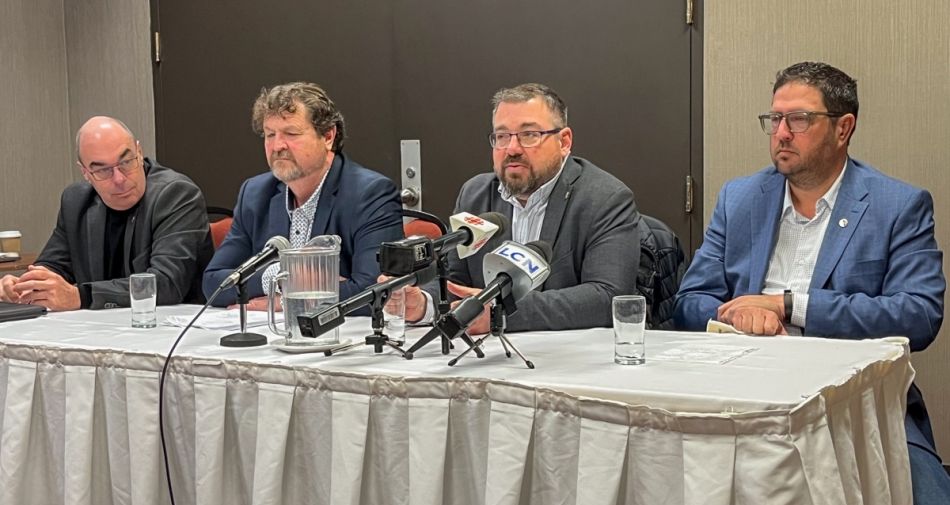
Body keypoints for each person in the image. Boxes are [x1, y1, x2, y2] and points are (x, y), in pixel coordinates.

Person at [673, 62, 948, 505]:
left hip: (856, 402)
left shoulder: (897, 205)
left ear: (843, 128)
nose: (781, 133)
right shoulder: (740, 198)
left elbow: (918, 314)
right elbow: (690, 299)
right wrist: (738, 318)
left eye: (798, 120)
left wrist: (787, 305)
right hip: (741, 393)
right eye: (774, 119)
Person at [403, 83, 640, 333]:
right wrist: (423, 304)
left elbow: (607, 297)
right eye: (502, 136)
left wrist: (501, 313)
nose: (512, 149)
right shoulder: (475, 195)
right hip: (488, 357)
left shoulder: (605, 198)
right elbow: (456, 283)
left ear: (564, 142)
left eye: (529, 135)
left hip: (569, 359)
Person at [202, 82, 403, 307]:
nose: (277, 145)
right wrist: (283, 277)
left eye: (291, 133)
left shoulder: (370, 194)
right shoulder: (255, 193)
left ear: (328, 136)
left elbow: (376, 290)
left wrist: (284, 304)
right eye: (269, 135)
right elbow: (214, 284)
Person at [0, 116, 213, 311]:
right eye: (102, 170)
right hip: (97, 329)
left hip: (169, 329)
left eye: (126, 162)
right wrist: (27, 284)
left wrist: (80, 296)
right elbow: (54, 264)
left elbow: (166, 283)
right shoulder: (76, 201)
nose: (119, 179)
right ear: (85, 172)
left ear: (139, 153)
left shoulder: (176, 195)